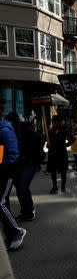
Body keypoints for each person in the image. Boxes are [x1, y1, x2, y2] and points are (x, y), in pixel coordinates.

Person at [4, 114, 44, 221]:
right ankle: (25, 211)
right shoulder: (8, 131)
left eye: (9, 123)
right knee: (19, 187)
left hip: (31, 163)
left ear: (14, 122)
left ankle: (30, 211)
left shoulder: (26, 130)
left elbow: (40, 139)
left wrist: (33, 155)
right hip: (18, 163)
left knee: (23, 186)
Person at [0, 99, 27, 251]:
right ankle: (10, 236)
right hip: (3, 171)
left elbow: (13, 155)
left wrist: (4, 166)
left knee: (0, 203)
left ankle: (17, 231)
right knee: (4, 204)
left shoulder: (5, 129)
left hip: (7, 172)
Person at [47, 115, 75, 194]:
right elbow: (48, 141)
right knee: (53, 171)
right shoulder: (50, 130)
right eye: (53, 121)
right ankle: (54, 187)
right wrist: (48, 145)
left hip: (61, 152)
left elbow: (73, 138)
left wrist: (67, 144)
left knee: (63, 171)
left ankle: (63, 186)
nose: (54, 123)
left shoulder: (64, 129)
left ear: (59, 122)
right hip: (52, 153)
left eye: (55, 121)